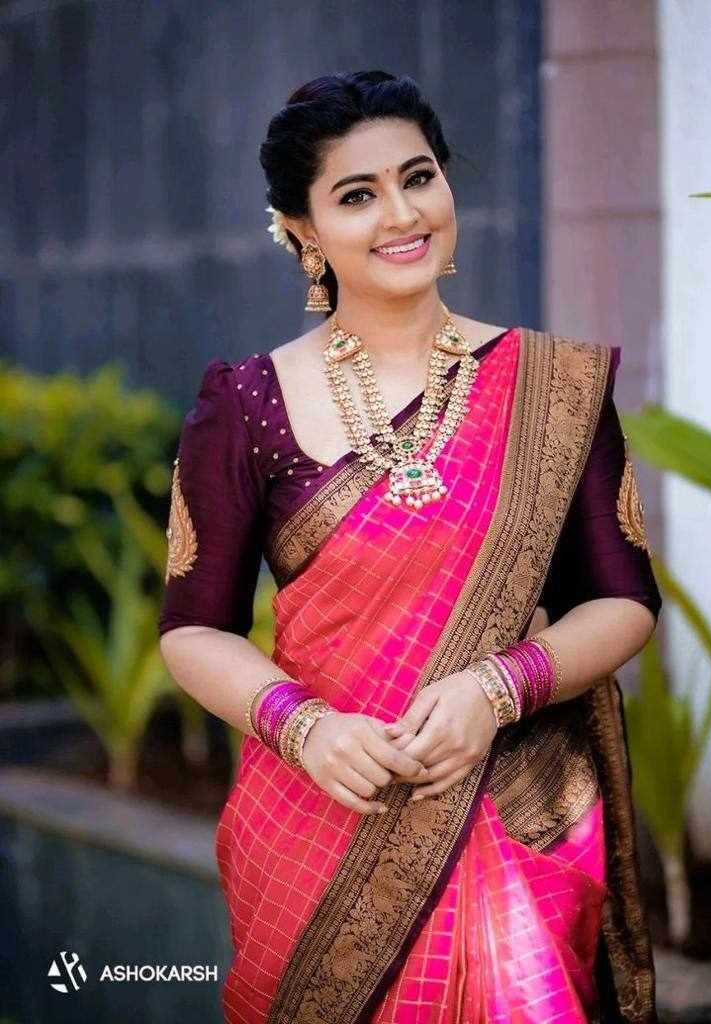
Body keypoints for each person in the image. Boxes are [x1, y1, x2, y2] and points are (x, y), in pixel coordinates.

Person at [158, 70, 663, 1024]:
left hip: (510, 805)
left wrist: (496, 688)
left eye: (418, 177)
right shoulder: (246, 403)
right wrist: (303, 727)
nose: (402, 214)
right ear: (302, 230)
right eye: (356, 195)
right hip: (317, 817)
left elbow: (623, 601)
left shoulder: (553, 387)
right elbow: (193, 629)